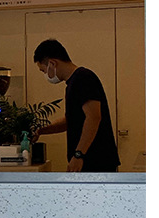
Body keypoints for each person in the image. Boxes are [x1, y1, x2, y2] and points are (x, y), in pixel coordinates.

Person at [32, 39, 120, 172]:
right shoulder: (73, 83)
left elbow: (93, 117)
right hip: (87, 160)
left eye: (43, 71)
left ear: (52, 63)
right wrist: (41, 130)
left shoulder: (83, 78)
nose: (46, 75)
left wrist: (79, 154)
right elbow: (72, 120)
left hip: (96, 161)